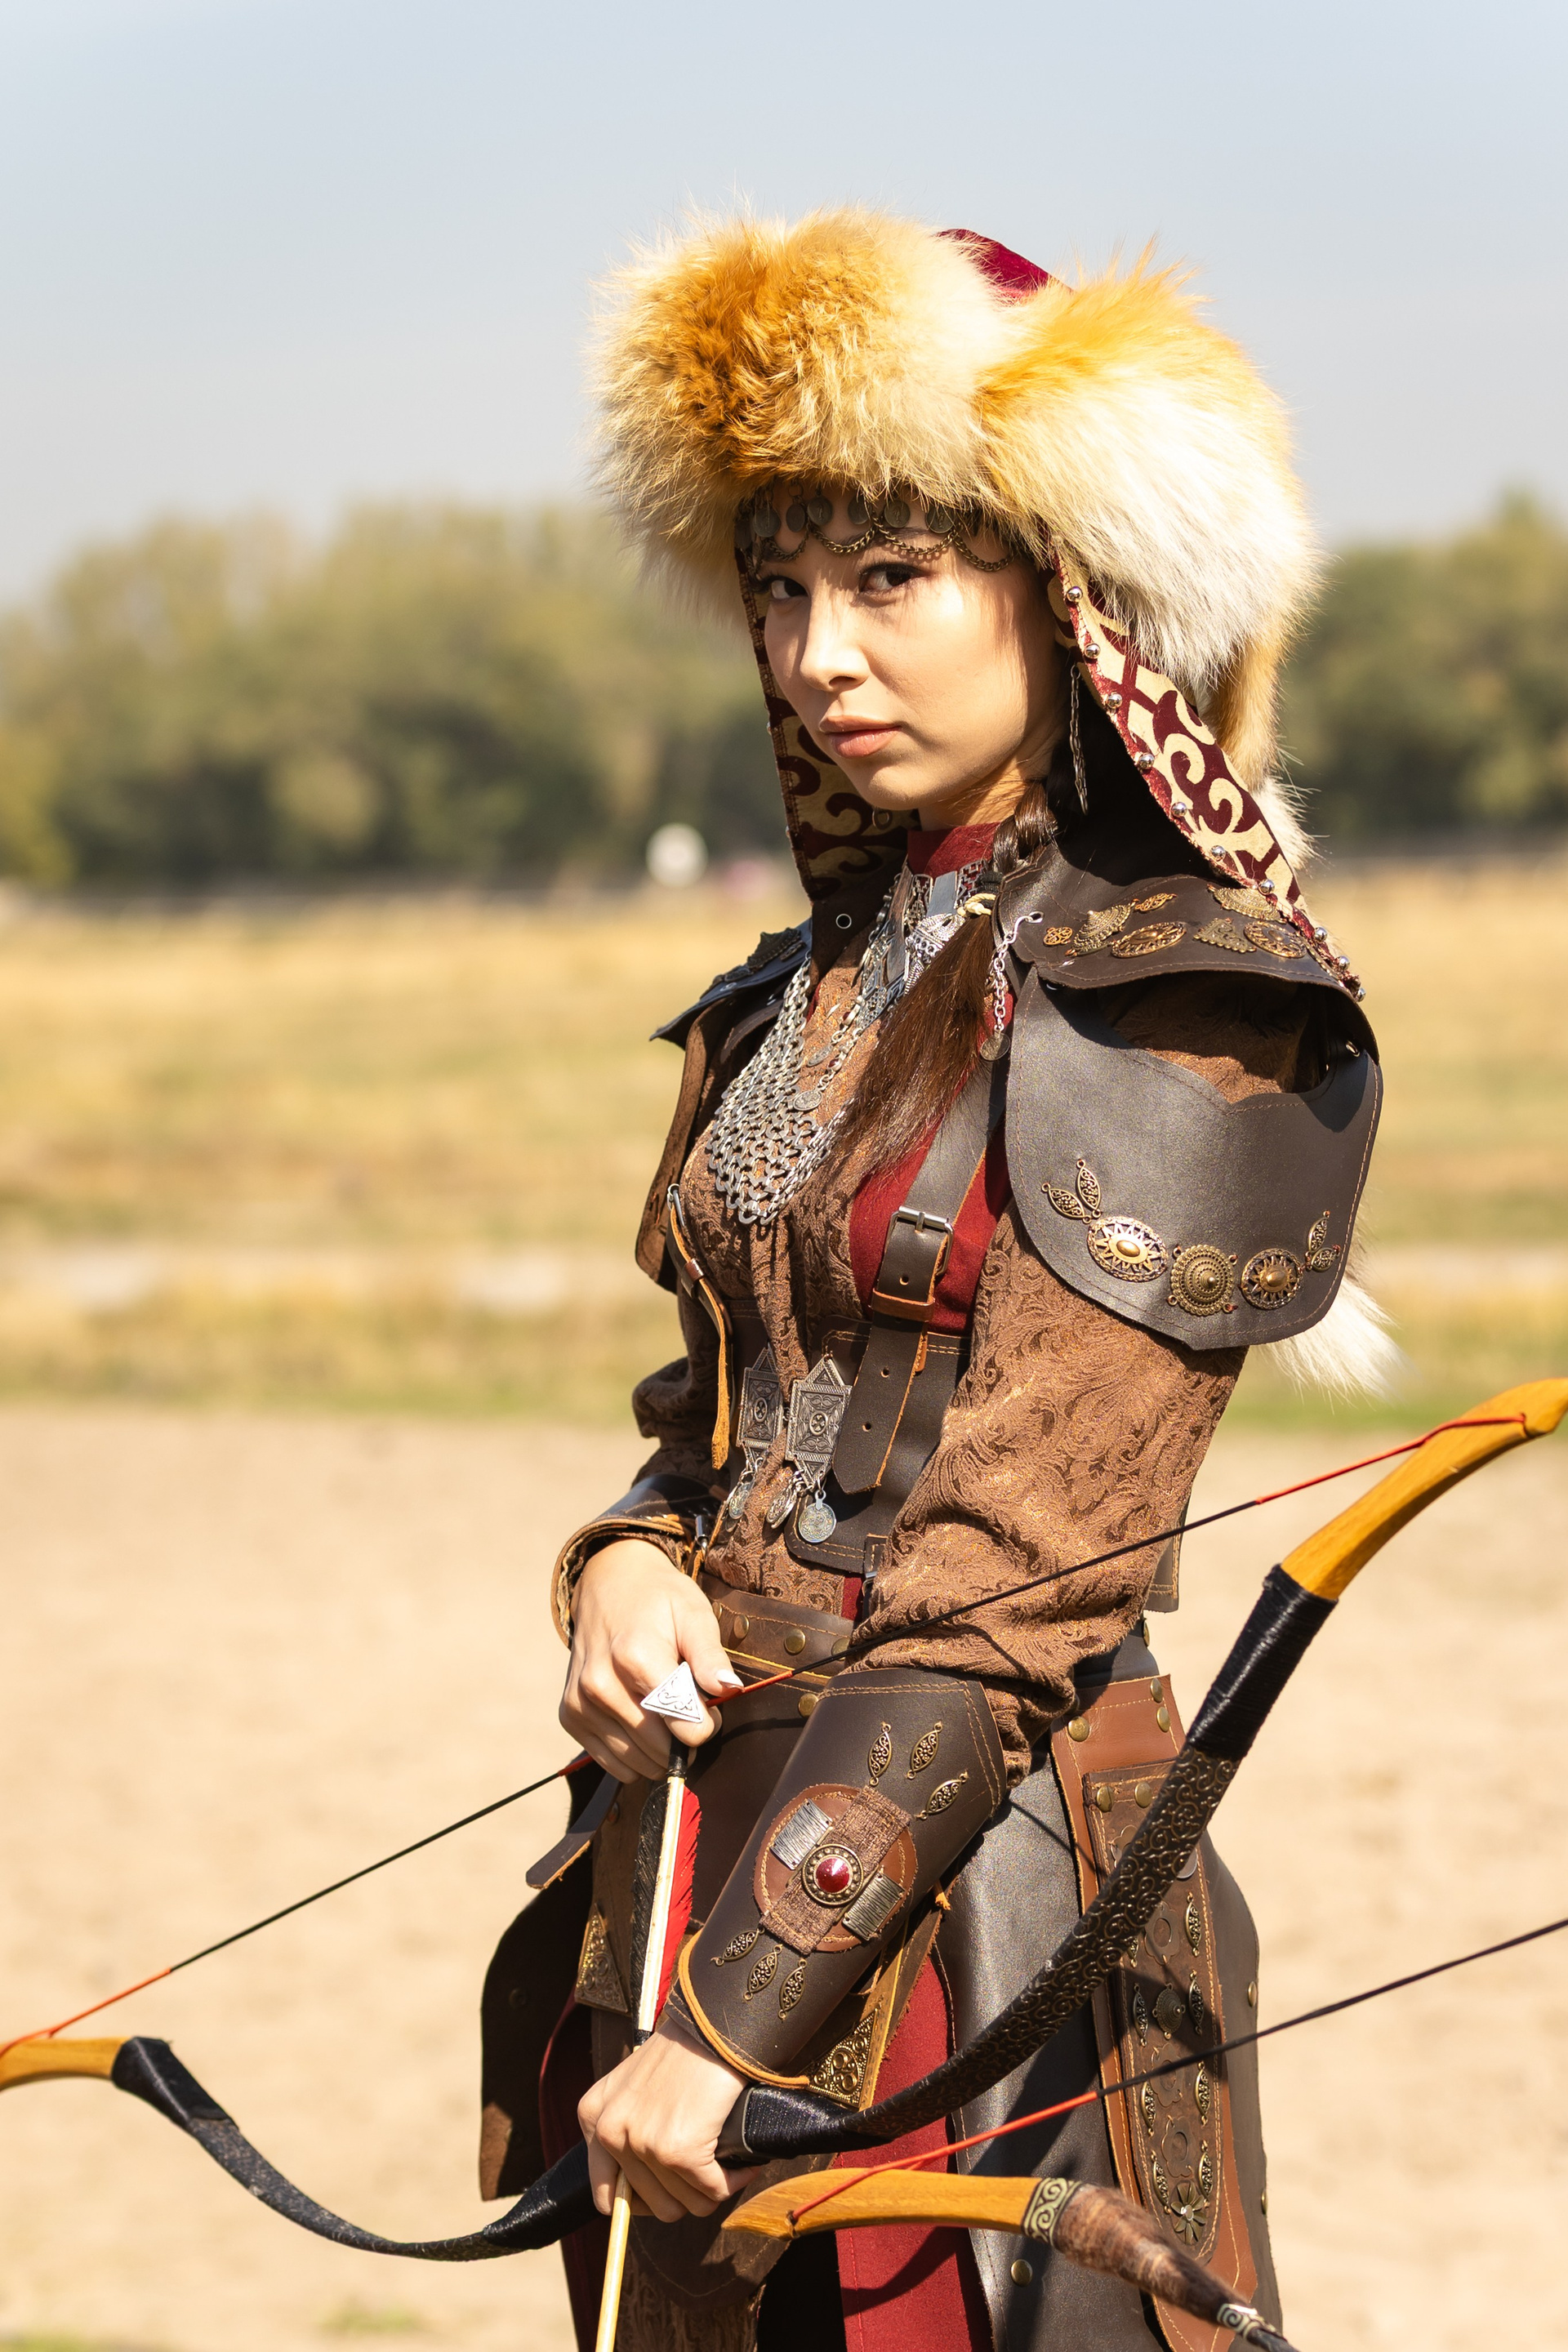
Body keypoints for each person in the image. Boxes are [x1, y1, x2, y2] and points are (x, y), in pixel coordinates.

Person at [479, 212, 1386, 2352]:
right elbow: (724, 1426)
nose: (819, 653)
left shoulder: (1185, 999)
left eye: (891, 578)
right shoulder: (797, 994)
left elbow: (1027, 1569)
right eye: (783, 588)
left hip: (977, 1933)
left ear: (1064, 590)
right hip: (685, 1873)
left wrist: (742, 2016)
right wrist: (624, 1568)